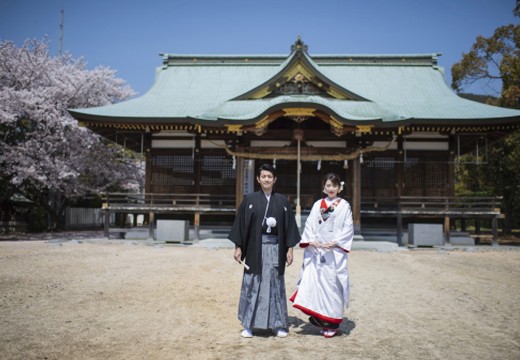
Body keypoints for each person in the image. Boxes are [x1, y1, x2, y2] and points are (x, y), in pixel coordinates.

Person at [228, 163, 301, 338]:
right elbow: (241, 225)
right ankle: (249, 325)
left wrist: (289, 249)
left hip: (276, 248)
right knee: (253, 284)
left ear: (274, 179)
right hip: (255, 249)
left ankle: (277, 324)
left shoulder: (282, 201)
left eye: (270, 176)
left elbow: (289, 227)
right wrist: (238, 246)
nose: (266, 179)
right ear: (258, 179)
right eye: (263, 176)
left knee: (275, 284)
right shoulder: (250, 200)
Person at [290, 172, 354, 338]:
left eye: (334, 185)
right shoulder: (318, 204)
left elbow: (348, 228)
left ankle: (332, 322)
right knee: (318, 285)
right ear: (323, 188)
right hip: (318, 251)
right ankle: (321, 319)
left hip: (334, 252)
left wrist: (337, 242)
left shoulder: (344, 206)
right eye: (328, 185)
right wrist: (311, 241)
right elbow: (311, 225)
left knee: (333, 286)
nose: (331, 188)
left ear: (339, 188)